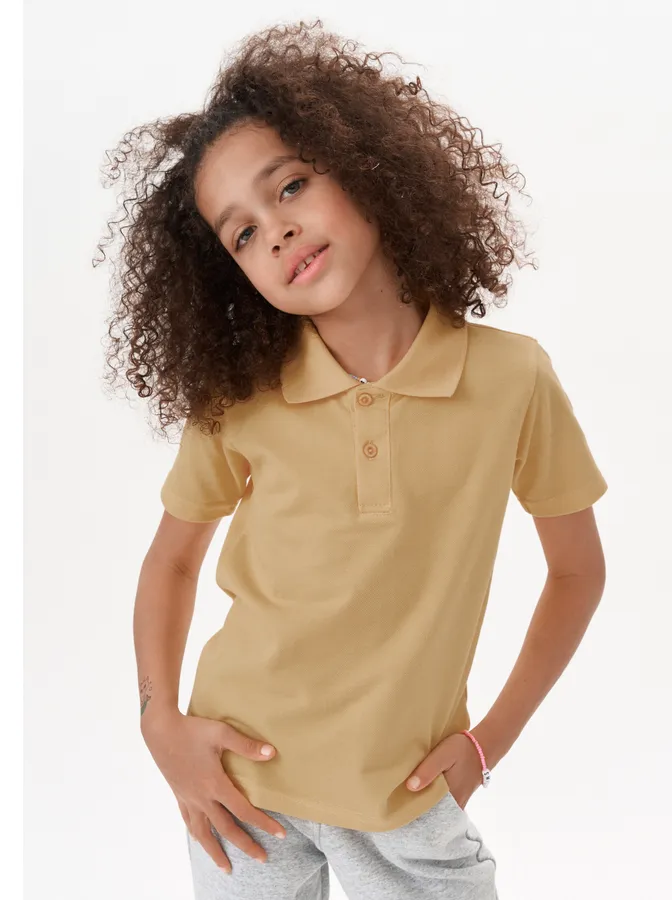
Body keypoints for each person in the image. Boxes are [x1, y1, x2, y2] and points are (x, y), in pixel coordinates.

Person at [97, 20, 608, 900]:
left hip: (403, 794)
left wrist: (487, 743)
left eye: (291, 186)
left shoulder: (510, 378)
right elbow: (172, 561)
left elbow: (577, 572)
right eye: (242, 235)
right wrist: (161, 725)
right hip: (240, 791)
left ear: (365, 165)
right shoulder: (242, 400)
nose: (277, 232)